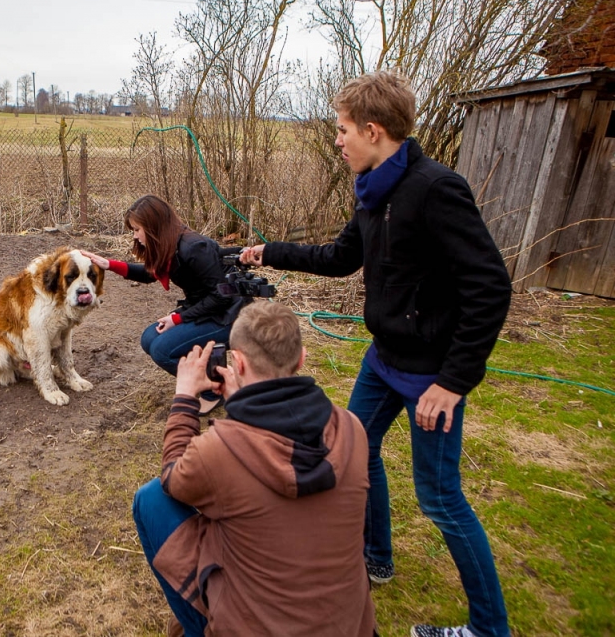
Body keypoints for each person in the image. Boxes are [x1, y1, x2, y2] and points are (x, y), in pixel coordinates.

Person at [240, 71, 512, 637]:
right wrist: (272, 253)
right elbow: (342, 256)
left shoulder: (436, 189)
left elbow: (490, 287)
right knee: (353, 449)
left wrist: (455, 381)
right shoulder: (372, 187)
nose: (337, 140)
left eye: (342, 130)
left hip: (431, 375)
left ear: (372, 129)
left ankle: (490, 629)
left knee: (440, 499)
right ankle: (376, 558)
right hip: (384, 359)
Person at [133, 301, 376, 636]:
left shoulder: (219, 452)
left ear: (239, 362)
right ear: (301, 358)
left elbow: (174, 476)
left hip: (252, 628)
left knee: (151, 498)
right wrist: (240, 405)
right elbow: (277, 448)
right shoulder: (350, 428)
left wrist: (185, 398)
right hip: (349, 626)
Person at [81, 194, 245, 414]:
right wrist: (108, 264)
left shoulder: (194, 248)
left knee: (162, 350)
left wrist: (177, 319)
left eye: (137, 230)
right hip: (204, 308)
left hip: (228, 316)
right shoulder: (171, 244)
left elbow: (221, 297)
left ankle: (213, 389)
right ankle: (209, 367)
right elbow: (152, 273)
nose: (136, 236)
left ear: (153, 226)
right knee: (149, 339)